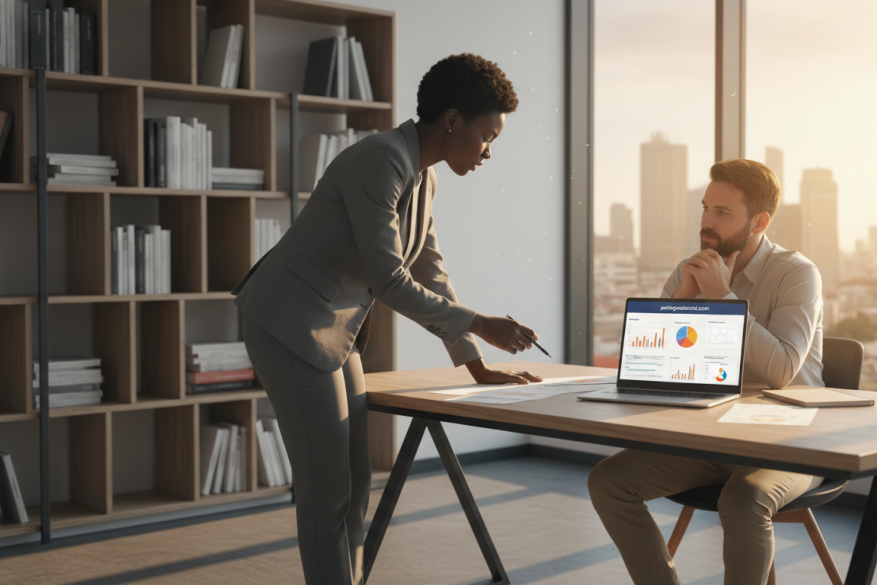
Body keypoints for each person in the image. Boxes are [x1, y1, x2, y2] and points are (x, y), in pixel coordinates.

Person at [232, 54, 544, 585]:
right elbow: (391, 280)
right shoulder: (381, 160)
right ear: (451, 121)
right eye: (488, 135)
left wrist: (476, 365)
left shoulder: (425, 177)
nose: (490, 151)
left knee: (356, 487)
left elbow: (431, 270)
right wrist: (481, 323)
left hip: (333, 331)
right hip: (289, 321)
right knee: (326, 491)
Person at [588, 158, 825, 585]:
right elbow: (660, 372)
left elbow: (782, 371)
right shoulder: (689, 270)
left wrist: (723, 298)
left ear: (759, 221)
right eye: (704, 208)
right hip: (713, 437)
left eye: (722, 212)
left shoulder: (797, 273)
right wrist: (682, 300)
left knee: (743, 499)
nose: (706, 222)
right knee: (608, 482)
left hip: (791, 441)